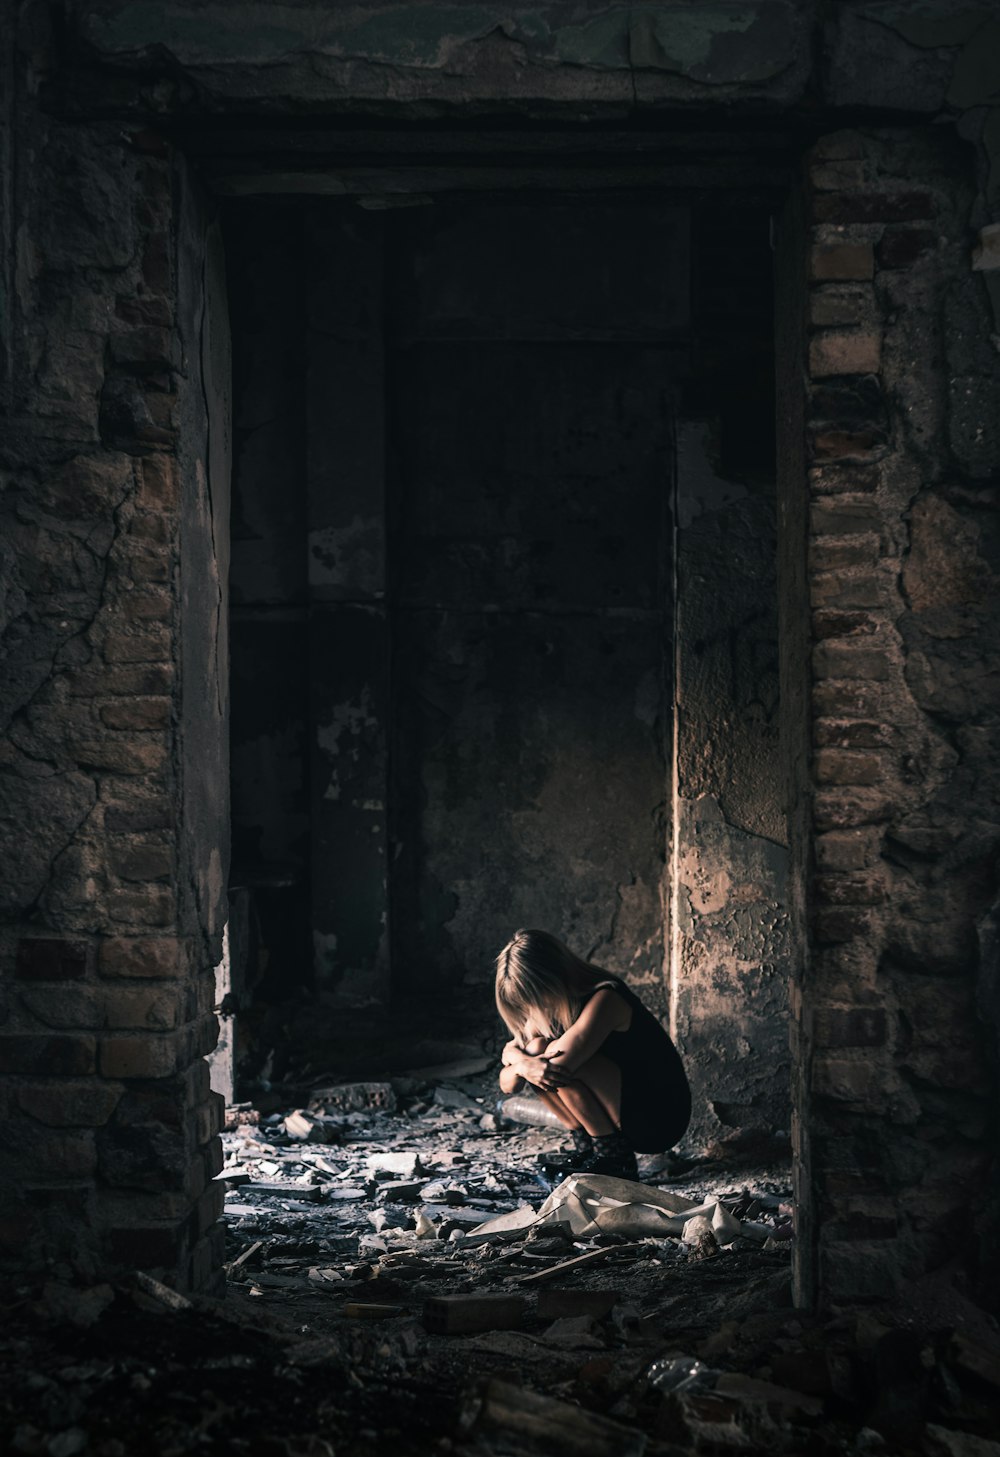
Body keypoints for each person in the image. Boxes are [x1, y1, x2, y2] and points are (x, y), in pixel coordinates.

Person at [495, 927, 691, 1180]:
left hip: (657, 1116)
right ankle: (589, 1150)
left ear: (553, 978)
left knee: (551, 1066)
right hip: (621, 1108)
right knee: (535, 1053)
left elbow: (559, 1066)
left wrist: (521, 1061)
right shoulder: (549, 1007)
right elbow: (508, 1085)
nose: (536, 1008)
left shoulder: (606, 998)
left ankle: (614, 1159)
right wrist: (522, 1063)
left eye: (537, 997)